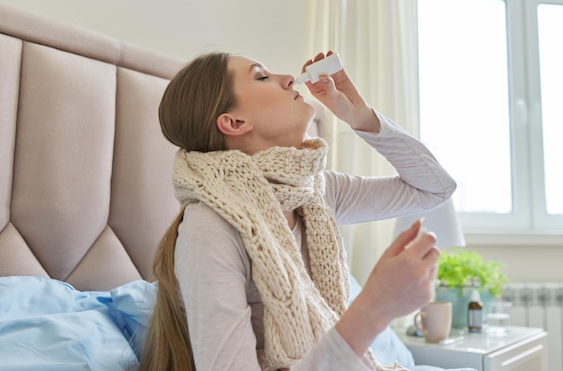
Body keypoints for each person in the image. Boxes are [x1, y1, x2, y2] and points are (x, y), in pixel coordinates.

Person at [140, 51, 462, 371]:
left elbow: (434, 188)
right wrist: (373, 309)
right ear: (234, 122)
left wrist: (361, 117)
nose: (289, 78)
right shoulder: (209, 228)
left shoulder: (317, 192)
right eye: (262, 76)